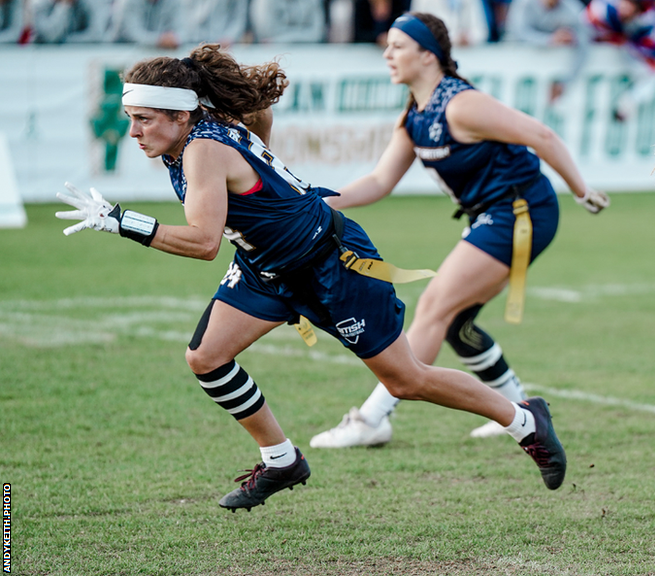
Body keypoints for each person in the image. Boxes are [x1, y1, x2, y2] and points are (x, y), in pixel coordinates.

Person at [54, 43, 569, 512]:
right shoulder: (198, 130)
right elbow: (259, 118)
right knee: (206, 356)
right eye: (130, 118)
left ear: (181, 112)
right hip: (267, 265)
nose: (134, 131)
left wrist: (122, 221)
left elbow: (204, 242)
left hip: (332, 264)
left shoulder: (201, 148)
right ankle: (281, 459)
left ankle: (525, 420)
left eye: (143, 119)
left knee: (406, 380)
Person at [309, 13, 609, 448]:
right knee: (456, 322)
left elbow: (540, 134)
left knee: (434, 304)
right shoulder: (415, 112)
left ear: (428, 55)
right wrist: (312, 201)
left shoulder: (460, 104)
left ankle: (372, 419)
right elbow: (378, 182)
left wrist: (581, 190)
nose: (387, 53)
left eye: (398, 46)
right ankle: (520, 412)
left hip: (521, 211)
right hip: (492, 215)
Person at [505, 0, 591, 102]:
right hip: (518, 73)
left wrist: (565, 81)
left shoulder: (572, 8)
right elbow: (518, 33)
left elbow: (584, 41)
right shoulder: (524, 4)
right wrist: (550, 40)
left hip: (553, 77)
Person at [107, 0, 182, 49]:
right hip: (122, 53)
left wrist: (174, 39)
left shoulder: (174, 2)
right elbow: (133, 34)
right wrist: (160, 40)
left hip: (159, 54)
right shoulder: (127, 2)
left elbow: (183, 30)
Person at [249, 0, 327, 43]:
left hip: (311, 53)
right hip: (273, 56)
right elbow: (268, 33)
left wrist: (279, 40)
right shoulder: (265, 3)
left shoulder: (313, 2)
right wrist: (302, 35)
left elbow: (317, 33)